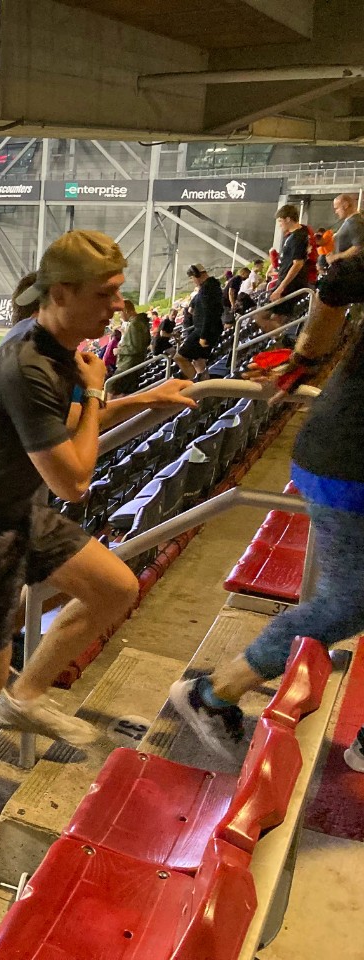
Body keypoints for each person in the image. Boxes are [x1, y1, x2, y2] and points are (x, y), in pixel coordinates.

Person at [0, 232, 194, 847]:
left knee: (114, 586)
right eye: (107, 293)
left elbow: (64, 426)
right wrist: (99, 392)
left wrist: (144, 398)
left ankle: (24, 697)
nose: (118, 306)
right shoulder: (28, 363)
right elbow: (73, 479)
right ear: (62, 293)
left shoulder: (55, 346)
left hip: (18, 511)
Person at [172, 192, 364, 766]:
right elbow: (342, 275)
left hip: (342, 448)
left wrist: (308, 356)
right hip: (351, 456)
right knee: (347, 602)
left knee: (349, 600)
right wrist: (305, 357)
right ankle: (212, 694)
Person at [260, 204, 313, 331]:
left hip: (290, 285)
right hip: (285, 282)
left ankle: (278, 340)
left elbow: (297, 263)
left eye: (280, 220)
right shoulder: (292, 236)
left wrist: (281, 288)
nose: (279, 224)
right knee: (265, 316)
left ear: (288, 219)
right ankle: (277, 339)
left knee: (270, 317)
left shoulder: (298, 237)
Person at [175, 265, 224, 379]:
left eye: (192, 278)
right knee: (199, 362)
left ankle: (192, 382)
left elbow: (209, 313)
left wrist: (203, 336)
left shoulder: (207, 289)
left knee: (179, 357)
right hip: (210, 330)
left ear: (197, 275)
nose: (192, 281)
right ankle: (203, 386)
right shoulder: (212, 286)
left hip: (203, 331)